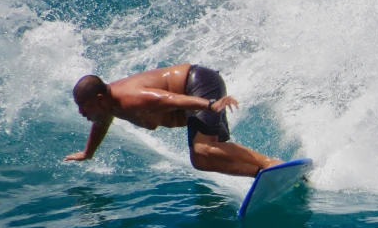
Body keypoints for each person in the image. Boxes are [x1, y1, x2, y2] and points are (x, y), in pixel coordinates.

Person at [64, 63, 283, 177]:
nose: (81, 111)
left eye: (84, 106)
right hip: (193, 94)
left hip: (198, 84)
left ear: (100, 99)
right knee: (200, 161)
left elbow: (171, 99)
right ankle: (260, 174)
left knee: (204, 149)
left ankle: (270, 164)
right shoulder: (107, 106)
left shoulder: (132, 99)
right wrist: (88, 153)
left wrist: (209, 104)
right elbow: (101, 123)